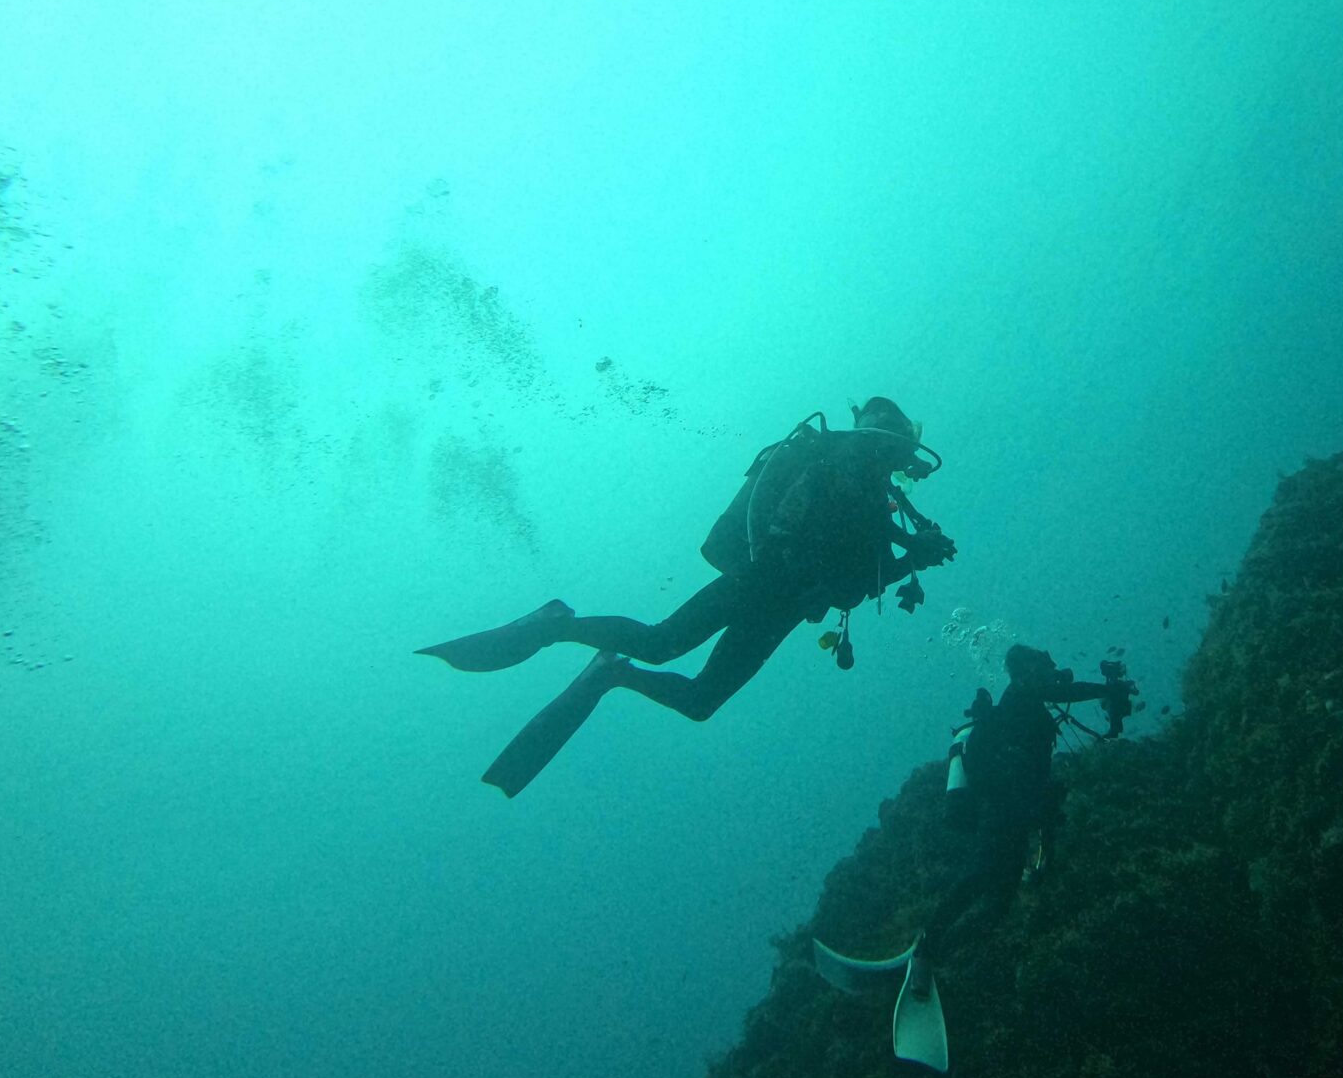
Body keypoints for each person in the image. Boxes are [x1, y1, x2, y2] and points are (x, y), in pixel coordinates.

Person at [418, 397, 956, 796]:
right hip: (761, 582)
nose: (901, 464)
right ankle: (557, 624)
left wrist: (912, 556)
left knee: (700, 701)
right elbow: (821, 557)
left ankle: (610, 671)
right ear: (890, 441)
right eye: (899, 449)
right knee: (661, 642)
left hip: (784, 608)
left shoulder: (870, 495)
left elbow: (856, 587)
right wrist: (906, 550)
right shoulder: (839, 470)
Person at [916, 645, 1133, 982]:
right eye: (1043, 664)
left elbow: (1040, 764)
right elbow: (1064, 691)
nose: (1053, 668)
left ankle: (941, 953)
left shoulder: (1033, 707)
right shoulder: (1018, 697)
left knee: (999, 903)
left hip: (1021, 810)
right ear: (1024, 671)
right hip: (1001, 805)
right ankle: (925, 950)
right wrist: (1107, 689)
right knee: (980, 875)